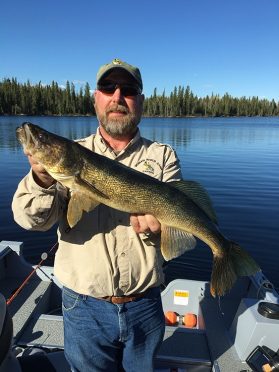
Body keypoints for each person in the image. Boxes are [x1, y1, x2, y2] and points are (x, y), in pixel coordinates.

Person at [12, 58, 182, 372]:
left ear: (140, 101)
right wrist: (42, 178)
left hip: (145, 304)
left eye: (128, 89)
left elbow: (179, 230)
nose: (117, 96)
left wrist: (161, 231)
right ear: (96, 99)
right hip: (83, 307)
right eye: (108, 87)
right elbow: (31, 221)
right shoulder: (70, 155)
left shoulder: (162, 156)